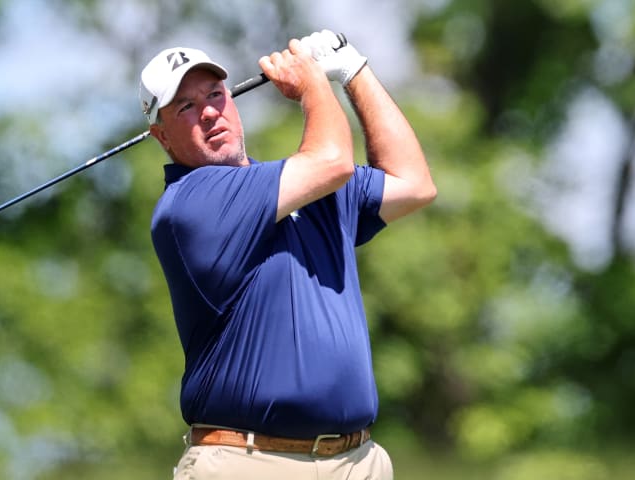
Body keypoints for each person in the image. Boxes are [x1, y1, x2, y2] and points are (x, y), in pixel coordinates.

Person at [139, 29, 436, 479]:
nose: (209, 113)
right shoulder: (189, 204)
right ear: (161, 136)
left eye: (216, 95)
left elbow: (414, 184)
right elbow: (332, 161)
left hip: (357, 461)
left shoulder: (304, 186)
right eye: (186, 107)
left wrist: (355, 71)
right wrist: (313, 81)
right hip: (248, 461)